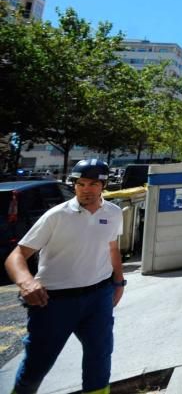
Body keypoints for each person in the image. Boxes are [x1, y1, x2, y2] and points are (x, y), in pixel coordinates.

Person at [5, 158, 126, 394]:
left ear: (104, 185)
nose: (85, 190)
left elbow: (111, 248)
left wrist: (119, 282)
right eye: (80, 184)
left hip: (98, 297)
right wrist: (26, 282)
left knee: (99, 356)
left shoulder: (113, 213)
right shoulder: (57, 216)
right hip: (54, 302)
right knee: (37, 364)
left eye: (92, 184)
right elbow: (17, 255)